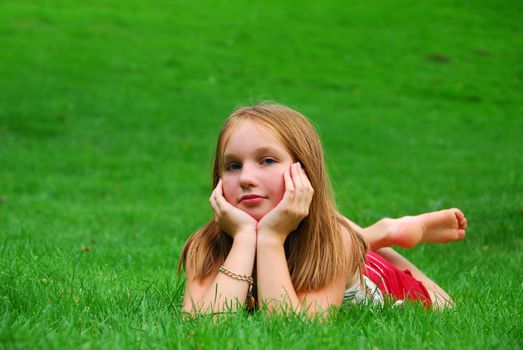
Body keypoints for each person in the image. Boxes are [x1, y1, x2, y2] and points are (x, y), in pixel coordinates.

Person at [178, 103, 467, 316]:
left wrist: (270, 237)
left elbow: (289, 330)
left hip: (376, 279)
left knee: (445, 305)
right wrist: (243, 236)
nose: (246, 178)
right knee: (348, 238)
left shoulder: (332, 243)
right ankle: (378, 234)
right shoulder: (204, 247)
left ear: (305, 171)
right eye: (233, 166)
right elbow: (203, 327)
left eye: (267, 160)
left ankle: (386, 236)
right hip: (345, 242)